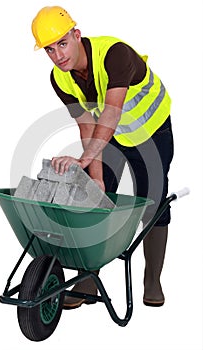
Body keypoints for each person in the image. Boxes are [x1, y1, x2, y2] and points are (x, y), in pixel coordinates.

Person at [31, 6, 174, 309]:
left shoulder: (115, 54)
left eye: (62, 43)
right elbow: (87, 124)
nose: (58, 55)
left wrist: (84, 158)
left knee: (154, 203)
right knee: (93, 198)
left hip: (151, 131)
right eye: (49, 49)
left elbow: (111, 111)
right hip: (108, 138)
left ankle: (152, 279)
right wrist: (95, 176)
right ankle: (88, 279)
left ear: (76, 34)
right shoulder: (61, 78)